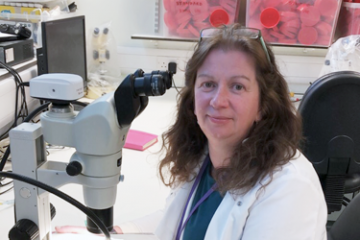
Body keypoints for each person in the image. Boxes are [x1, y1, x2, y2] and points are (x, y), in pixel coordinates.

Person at [56, 23, 328, 239]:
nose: (218, 101)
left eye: (237, 86)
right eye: (208, 84)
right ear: (192, 96)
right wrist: (115, 233)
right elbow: (179, 220)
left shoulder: (289, 189)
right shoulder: (206, 158)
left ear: (263, 105)